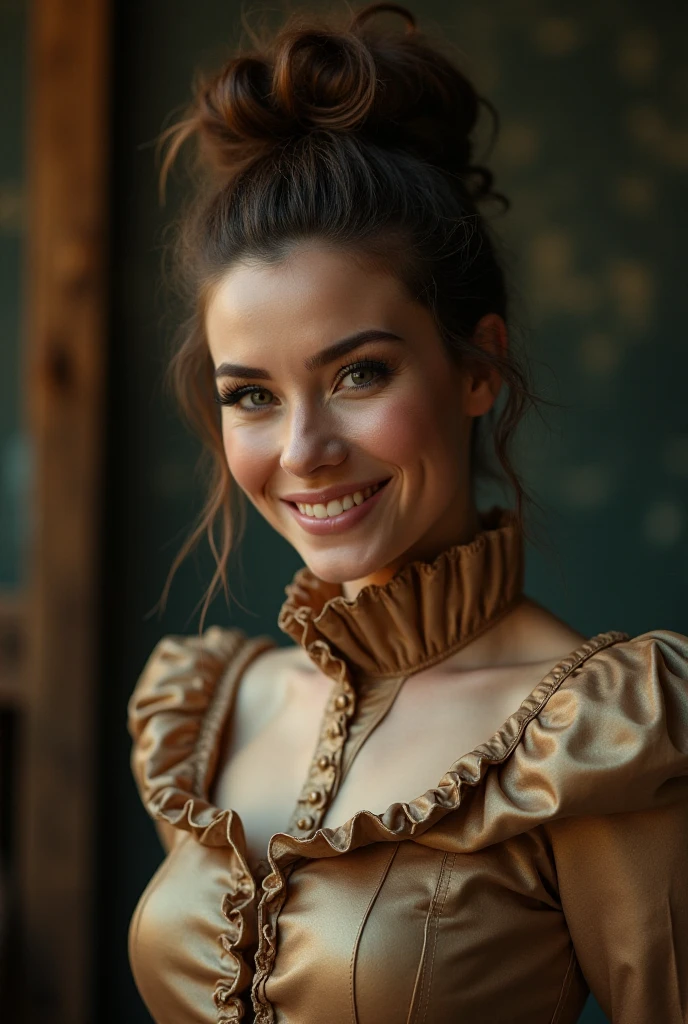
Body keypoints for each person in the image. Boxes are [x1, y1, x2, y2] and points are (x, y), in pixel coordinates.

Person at [126, 5, 688, 1023]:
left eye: (358, 372)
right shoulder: (209, 711)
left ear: (478, 368)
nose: (301, 450)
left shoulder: (602, 737)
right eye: (250, 393)